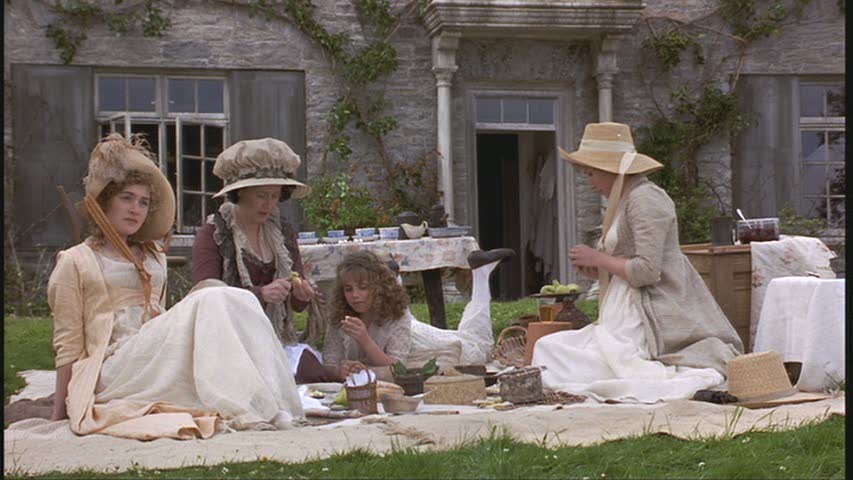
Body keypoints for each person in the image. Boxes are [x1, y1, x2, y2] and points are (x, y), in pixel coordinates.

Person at [47, 134, 303, 440]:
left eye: (143, 202)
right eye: (126, 198)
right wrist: (61, 412)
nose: (135, 209)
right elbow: (68, 344)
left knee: (236, 299)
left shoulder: (154, 257)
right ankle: (248, 406)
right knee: (212, 294)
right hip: (112, 368)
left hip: (153, 359)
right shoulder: (75, 261)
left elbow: (160, 318)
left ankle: (269, 404)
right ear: (105, 203)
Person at [531, 122, 744, 403]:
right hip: (621, 314)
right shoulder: (625, 200)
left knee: (560, 355)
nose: (591, 182)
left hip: (642, 319)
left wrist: (599, 258)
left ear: (610, 169)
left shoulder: (646, 199)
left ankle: (683, 381)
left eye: (592, 173)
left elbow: (646, 271)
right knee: (547, 349)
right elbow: (623, 265)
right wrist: (597, 269)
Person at [192, 138, 332, 383]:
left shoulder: (282, 233)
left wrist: (301, 295)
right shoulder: (215, 233)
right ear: (240, 193)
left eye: (275, 196)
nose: (269, 204)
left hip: (274, 337)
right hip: (230, 340)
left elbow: (295, 306)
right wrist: (259, 294)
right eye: (261, 195)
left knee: (308, 369)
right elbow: (205, 299)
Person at [322, 248, 514, 379]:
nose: (354, 296)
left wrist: (365, 340)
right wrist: (340, 371)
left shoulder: (397, 316)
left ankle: (481, 273)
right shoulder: (341, 315)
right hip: (401, 331)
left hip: (420, 346)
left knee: (477, 347)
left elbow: (397, 368)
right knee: (471, 340)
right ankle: (394, 276)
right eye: (348, 289)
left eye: (362, 287)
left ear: (377, 287)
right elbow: (329, 363)